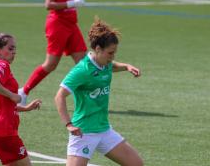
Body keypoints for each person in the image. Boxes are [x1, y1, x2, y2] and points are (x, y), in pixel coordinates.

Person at [54, 18, 144, 166]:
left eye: (114, 53)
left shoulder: (105, 63)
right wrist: (68, 124)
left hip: (104, 130)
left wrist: (127, 66)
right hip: (84, 132)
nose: (112, 57)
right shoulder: (82, 70)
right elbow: (59, 96)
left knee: (136, 164)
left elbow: (112, 66)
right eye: (110, 53)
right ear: (97, 49)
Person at [0, 32, 42, 166]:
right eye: (10, 49)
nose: (14, 52)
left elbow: (2, 104)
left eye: (15, 49)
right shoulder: (2, 65)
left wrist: (26, 108)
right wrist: (12, 95)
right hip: (3, 130)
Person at [18, 0, 87, 105]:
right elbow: (48, 5)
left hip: (72, 24)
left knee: (84, 63)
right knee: (50, 65)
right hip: (57, 24)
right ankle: (23, 92)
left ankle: (87, 100)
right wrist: (70, 4)